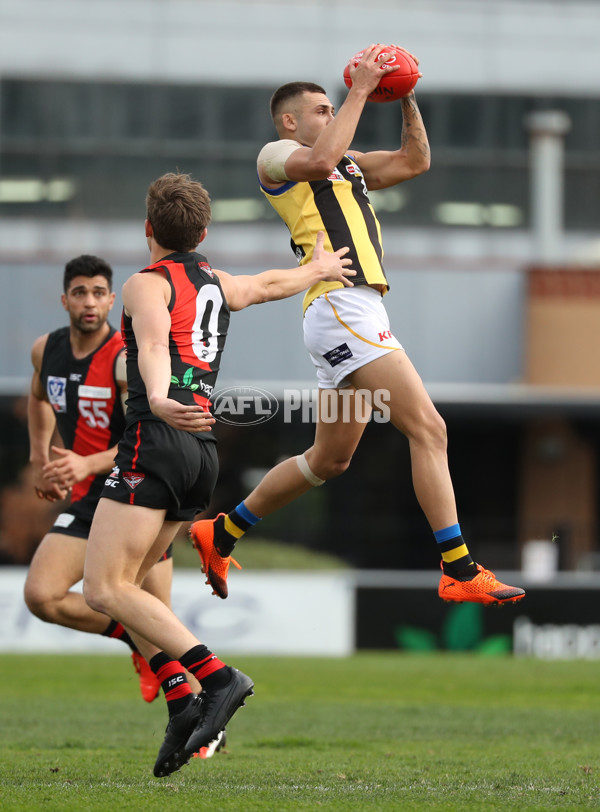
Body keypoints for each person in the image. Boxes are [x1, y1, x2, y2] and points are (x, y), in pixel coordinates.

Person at [190, 44, 526, 607]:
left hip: (348, 312)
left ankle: (220, 532)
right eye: (320, 108)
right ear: (290, 120)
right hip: (341, 304)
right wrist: (362, 90)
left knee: (329, 459)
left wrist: (405, 95)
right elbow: (318, 160)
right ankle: (458, 567)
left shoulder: (347, 162)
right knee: (430, 429)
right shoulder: (277, 155)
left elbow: (414, 161)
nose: (331, 111)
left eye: (332, 106)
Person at [81, 171, 355, 778]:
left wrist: (155, 395)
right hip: (202, 451)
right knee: (141, 582)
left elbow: (152, 347)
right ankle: (181, 702)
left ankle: (218, 678)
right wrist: (317, 270)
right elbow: (264, 285)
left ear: (148, 230)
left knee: (102, 589)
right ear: (203, 232)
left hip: (156, 438)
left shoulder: (144, 283)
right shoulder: (215, 280)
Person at [24, 254, 177, 704]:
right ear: (65, 299)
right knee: (41, 596)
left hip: (134, 496)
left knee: (159, 621)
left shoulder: (122, 360)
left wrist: (86, 463)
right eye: (79, 293)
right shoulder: (45, 350)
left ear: (112, 301)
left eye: (97, 293)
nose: (89, 302)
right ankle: (134, 639)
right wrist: (39, 459)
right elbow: (38, 398)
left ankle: (207, 723)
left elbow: (144, 437)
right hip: (90, 501)